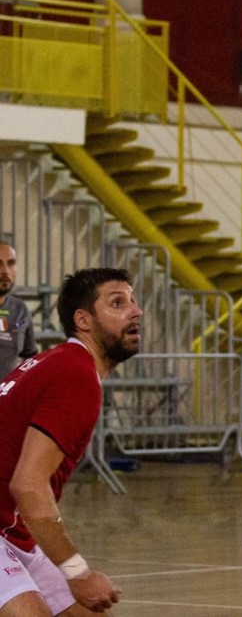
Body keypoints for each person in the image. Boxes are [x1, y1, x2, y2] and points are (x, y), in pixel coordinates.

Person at [0, 268, 143, 617]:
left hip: (13, 529)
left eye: (134, 301)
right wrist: (77, 573)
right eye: (117, 303)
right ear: (84, 320)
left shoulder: (58, 361)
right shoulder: (75, 373)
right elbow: (29, 486)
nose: (136, 311)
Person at [0, 242, 39, 377]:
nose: (5, 271)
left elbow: (30, 358)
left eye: (11, 263)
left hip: (7, 397)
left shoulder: (20, 309)